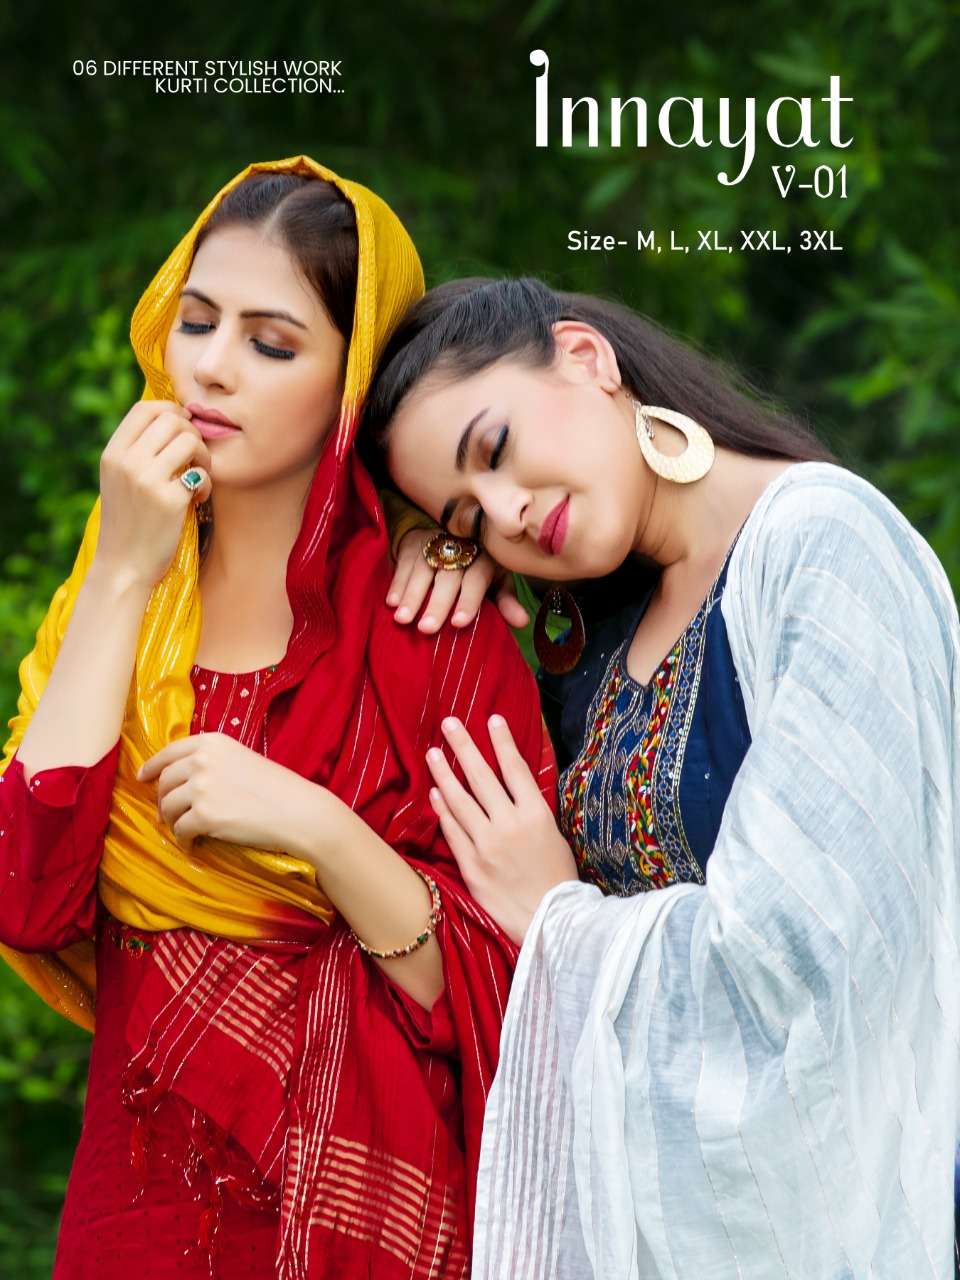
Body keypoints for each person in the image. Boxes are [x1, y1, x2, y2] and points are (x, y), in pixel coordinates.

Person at [0, 169, 555, 1279]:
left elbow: (515, 988)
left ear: (352, 384)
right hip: (132, 1228)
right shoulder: (117, 604)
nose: (211, 366)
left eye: (270, 342)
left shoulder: (432, 626)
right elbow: (26, 897)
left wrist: (320, 830)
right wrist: (122, 571)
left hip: (367, 1225)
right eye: (197, 321)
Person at [361, 276, 960, 1279]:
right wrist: (437, 556)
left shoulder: (821, 548)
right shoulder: (595, 643)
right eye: (469, 517)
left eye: (495, 448)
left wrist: (555, 914)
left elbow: (803, 962)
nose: (506, 511)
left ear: (585, 358)